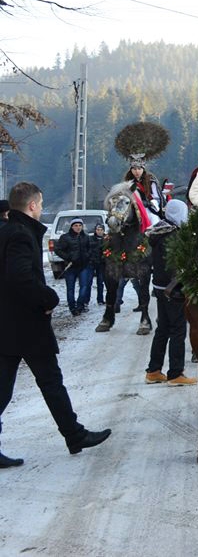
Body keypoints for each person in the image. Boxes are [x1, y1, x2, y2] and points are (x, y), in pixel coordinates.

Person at [0, 182, 111, 467]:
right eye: (40, 203)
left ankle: (74, 435)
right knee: (49, 382)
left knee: (14, 387)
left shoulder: (8, 230)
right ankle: (74, 435)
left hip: (9, 323)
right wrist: (47, 297)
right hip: (25, 324)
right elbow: (19, 277)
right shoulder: (22, 234)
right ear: (34, 205)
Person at [144, 199, 196, 386]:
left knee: (163, 329)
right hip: (173, 289)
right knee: (177, 330)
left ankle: (154, 370)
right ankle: (175, 373)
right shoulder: (173, 235)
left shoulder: (159, 232)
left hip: (160, 288)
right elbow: (175, 266)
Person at [54, 218, 94, 316]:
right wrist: (68, 257)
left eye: (80, 225)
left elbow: (90, 248)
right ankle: (72, 308)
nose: (78, 227)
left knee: (84, 286)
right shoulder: (65, 237)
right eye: (76, 225)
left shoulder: (86, 237)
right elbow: (58, 250)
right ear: (72, 226)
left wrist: (87, 256)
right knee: (70, 289)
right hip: (70, 267)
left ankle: (80, 306)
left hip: (83, 266)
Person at [125, 154, 163, 224]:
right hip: (132, 209)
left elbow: (157, 199)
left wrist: (148, 203)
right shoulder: (128, 182)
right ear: (131, 170)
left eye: (139, 169)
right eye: (134, 169)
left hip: (148, 208)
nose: (137, 171)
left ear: (143, 169)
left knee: (154, 219)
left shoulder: (151, 181)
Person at [90, 223, 107, 305]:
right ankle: (86, 301)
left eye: (101, 230)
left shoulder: (107, 238)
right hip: (92, 263)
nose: (99, 231)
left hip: (102, 264)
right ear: (95, 230)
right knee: (88, 283)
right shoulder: (90, 239)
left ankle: (100, 299)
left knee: (101, 282)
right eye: (98, 230)